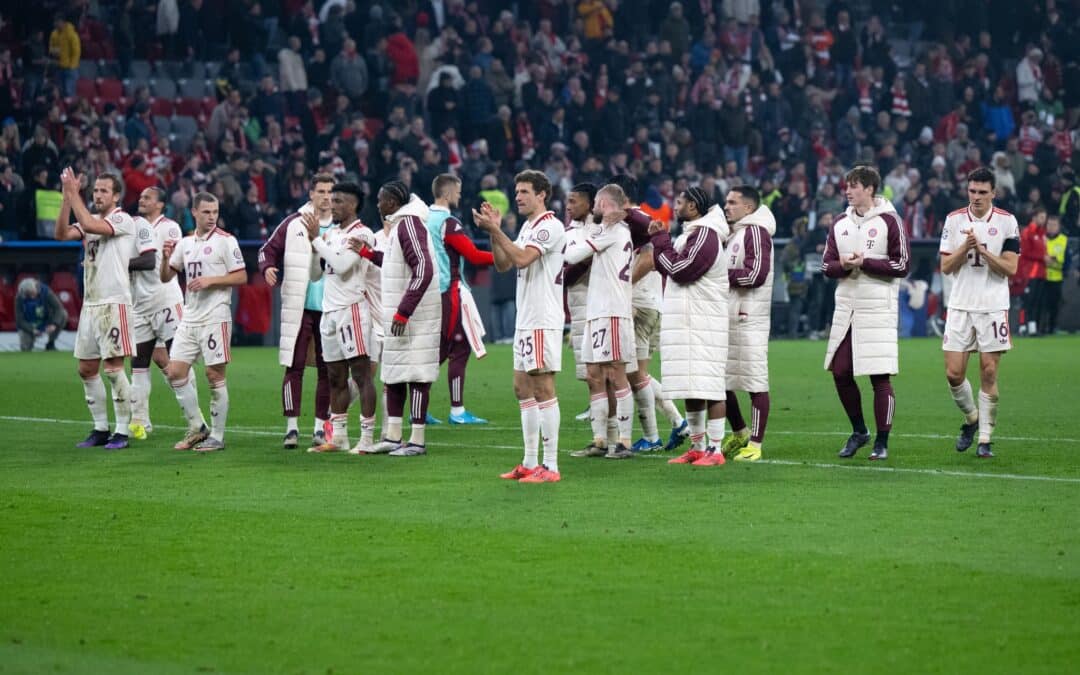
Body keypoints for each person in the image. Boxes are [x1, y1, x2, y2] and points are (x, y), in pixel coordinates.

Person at [473, 170, 565, 483]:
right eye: (517, 192)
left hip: (542, 317)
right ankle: (529, 461)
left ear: (542, 194)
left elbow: (524, 259)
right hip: (526, 319)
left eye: (525, 191)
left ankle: (550, 466)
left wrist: (497, 232)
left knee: (543, 387)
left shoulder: (550, 225)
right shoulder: (527, 226)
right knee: (521, 387)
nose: (518, 197)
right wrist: (494, 231)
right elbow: (503, 264)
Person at [54, 168, 152, 450]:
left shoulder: (122, 219)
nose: (98, 195)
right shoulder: (91, 218)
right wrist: (65, 198)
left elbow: (89, 225)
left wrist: (75, 196)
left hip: (114, 302)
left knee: (113, 368)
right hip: (92, 303)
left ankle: (122, 431)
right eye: (95, 190)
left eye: (104, 191)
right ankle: (99, 428)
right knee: (86, 368)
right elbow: (61, 233)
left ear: (117, 195)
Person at [822, 165, 910, 461]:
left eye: (854, 186)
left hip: (877, 308)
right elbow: (826, 266)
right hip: (846, 308)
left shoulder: (890, 221)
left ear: (870, 189)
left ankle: (882, 442)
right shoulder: (839, 223)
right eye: (847, 186)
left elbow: (902, 265)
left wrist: (866, 262)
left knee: (879, 378)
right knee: (840, 371)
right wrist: (844, 266)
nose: (847, 190)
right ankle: (860, 431)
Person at [354, 181, 441, 456]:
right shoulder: (400, 226)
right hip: (399, 314)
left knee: (416, 374)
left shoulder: (410, 224)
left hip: (414, 315)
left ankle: (416, 440)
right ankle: (392, 437)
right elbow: (396, 264)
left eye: (381, 199)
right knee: (393, 374)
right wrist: (367, 253)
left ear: (392, 201)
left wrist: (405, 310)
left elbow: (423, 268)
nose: (378, 204)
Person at [940, 167, 1020, 459]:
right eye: (972, 191)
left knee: (988, 371)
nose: (976, 197)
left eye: (982, 192)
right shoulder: (954, 220)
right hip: (960, 304)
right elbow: (946, 267)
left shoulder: (1007, 222)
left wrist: (984, 252)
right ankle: (972, 419)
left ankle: (985, 439)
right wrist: (965, 247)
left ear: (993, 193)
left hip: (993, 306)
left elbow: (1011, 268)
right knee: (953, 374)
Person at [160, 192, 248, 451]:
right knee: (175, 372)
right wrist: (165, 258)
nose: (212, 217)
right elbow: (166, 277)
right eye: (207, 212)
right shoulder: (185, 244)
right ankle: (198, 426)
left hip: (215, 315)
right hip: (190, 316)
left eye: (215, 212)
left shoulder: (226, 241)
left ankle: (217, 437)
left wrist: (212, 280)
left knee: (214, 373)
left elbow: (241, 276)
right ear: (195, 212)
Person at [650, 187, 731, 467]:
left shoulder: (706, 234)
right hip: (688, 320)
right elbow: (671, 266)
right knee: (691, 384)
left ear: (694, 207)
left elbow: (680, 271)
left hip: (704, 321)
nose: (676, 205)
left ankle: (716, 449)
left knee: (709, 386)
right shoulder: (691, 233)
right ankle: (697, 446)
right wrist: (661, 240)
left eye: (681, 201)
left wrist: (660, 240)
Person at [259, 173, 336, 449]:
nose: (327, 196)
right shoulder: (293, 223)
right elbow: (266, 250)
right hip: (299, 306)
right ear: (311, 193)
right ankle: (291, 429)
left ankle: (318, 428)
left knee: (328, 370)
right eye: (322, 191)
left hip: (331, 308)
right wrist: (267, 266)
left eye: (330, 191)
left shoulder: (342, 226)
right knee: (295, 365)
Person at [564, 183, 636, 460]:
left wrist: (584, 231)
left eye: (596, 202)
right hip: (596, 312)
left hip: (612, 312)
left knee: (616, 375)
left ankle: (625, 442)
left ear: (604, 204)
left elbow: (571, 255)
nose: (592, 205)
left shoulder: (615, 231)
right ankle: (599, 440)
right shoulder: (608, 229)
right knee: (594, 375)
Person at [307, 182, 377, 453]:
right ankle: (338, 438)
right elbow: (316, 275)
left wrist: (315, 241)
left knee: (361, 376)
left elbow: (343, 265)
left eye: (338, 201)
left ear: (353, 205)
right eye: (331, 201)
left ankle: (367, 439)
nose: (332, 205)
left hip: (352, 310)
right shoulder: (332, 234)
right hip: (330, 312)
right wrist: (316, 249)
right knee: (335, 376)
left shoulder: (363, 234)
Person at [426, 174, 495, 424]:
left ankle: (419, 408)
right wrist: (505, 256)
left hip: (429, 291)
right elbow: (473, 255)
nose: (460, 196)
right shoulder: (448, 222)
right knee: (458, 348)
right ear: (446, 194)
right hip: (449, 291)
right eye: (458, 192)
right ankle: (456, 412)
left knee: (439, 350)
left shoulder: (423, 219)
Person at [127, 186, 195, 440]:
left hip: (166, 302)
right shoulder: (133, 227)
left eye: (147, 197)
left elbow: (166, 262)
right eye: (141, 196)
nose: (141, 200)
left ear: (160, 204)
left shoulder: (170, 228)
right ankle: (140, 421)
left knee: (178, 361)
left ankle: (193, 419)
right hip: (140, 305)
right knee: (138, 364)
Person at [720, 186, 775, 462]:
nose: (727, 206)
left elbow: (757, 274)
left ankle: (755, 443)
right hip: (731, 314)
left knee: (755, 380)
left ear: (749, 208)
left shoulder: (756, 231)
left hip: (750, 316)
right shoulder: (737, 233)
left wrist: (719, 274)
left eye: (732, 202)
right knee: (722, 379)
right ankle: (740, 432)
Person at [562, 182, 597, 422]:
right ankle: (596, 406)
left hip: (600, 304)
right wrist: (586, 261)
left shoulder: (603, 229)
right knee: (587, 367)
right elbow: (564, 275)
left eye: (574, 201)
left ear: (589, 203)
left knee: (623, 372)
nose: (568, 206)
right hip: (578, 304)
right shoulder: (567, 232)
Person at [15, 277, 67, 352]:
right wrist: (32, 330)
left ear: (35, 287)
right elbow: (19, 320)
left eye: (32, 293)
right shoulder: (19, 298)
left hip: (46, 321)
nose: (32, 297)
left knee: (63, 314)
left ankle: (50, 343)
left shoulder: (46, 292)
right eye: (28, 295)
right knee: (25, 349)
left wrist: (54, 324)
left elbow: (58, 308)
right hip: (29, 324)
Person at [1017, 208, 1047, 335]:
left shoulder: (1041, 234)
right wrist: (1042, 257)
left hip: (1040, 272)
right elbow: (1025, 252)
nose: (1043, 220)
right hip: (1030, 272)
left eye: (1044, 217)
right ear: (1034, 217)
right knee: (1027, 300)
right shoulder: (1027, 232)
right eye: (1041, 217)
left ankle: (1032, 327)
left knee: (1036, 300)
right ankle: (1022, 326)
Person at [1042, 215, 1067, 334]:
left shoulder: (1064, 240)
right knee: (1041, 304)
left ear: (1059, 227)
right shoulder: (1041, 238)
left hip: (1057, 278)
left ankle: (1052, 328)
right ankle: (1040, 328)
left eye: (1054, 225)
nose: (1051, 227)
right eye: (1049, 225)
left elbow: (1067, 261)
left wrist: (1051, 262)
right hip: (1041, 277)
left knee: (1054, 305)